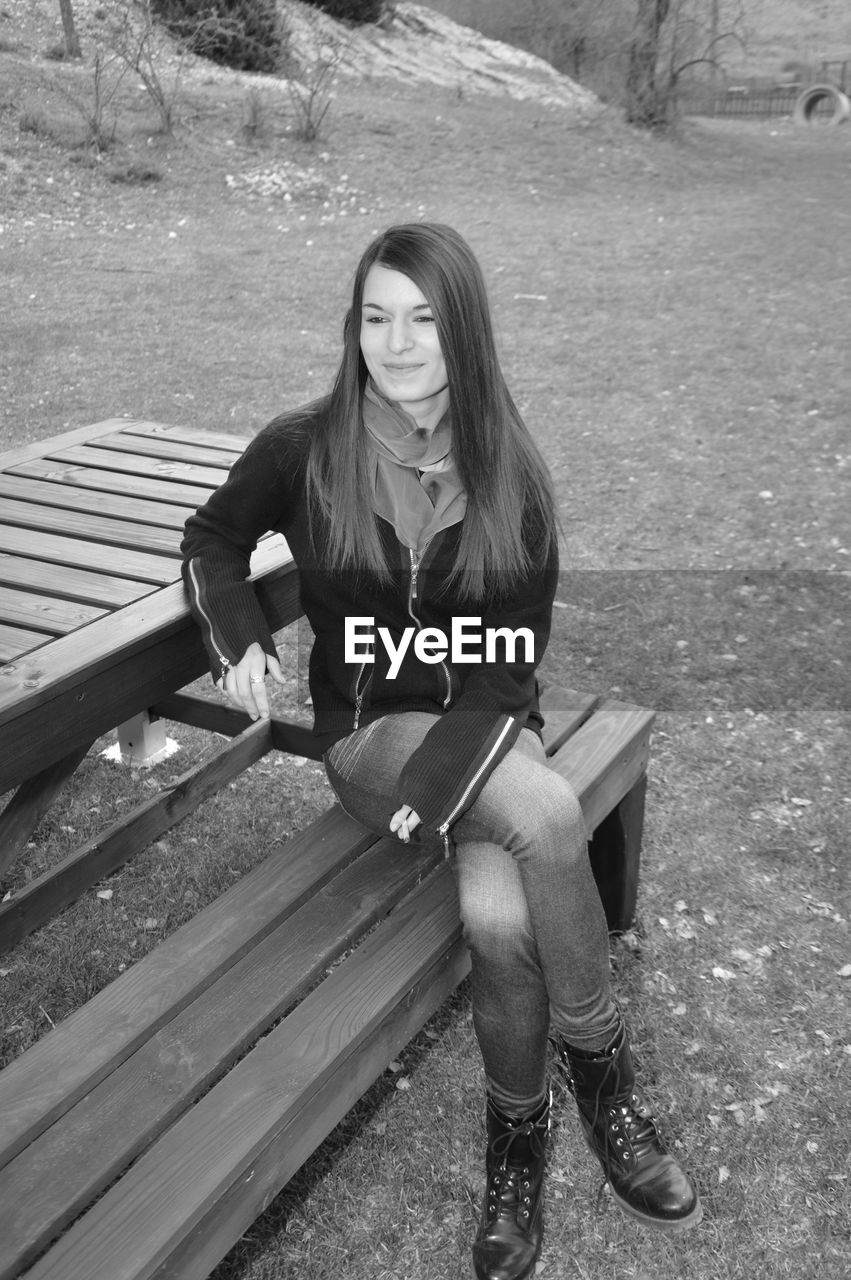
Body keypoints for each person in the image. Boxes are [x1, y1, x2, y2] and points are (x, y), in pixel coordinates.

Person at [181, 222, 702, 1279]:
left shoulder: (510, 469)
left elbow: (513, 663)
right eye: (374, 316)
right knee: (546, 813)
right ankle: (603, 1075)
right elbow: (211, 538)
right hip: (368, 737)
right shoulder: (303, 445)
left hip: (486, 724)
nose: (396, 341)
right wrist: (237, 635)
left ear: (461, 331)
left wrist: (458, 774)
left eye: (421, 317)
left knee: (500, 911)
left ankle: (517, 1135)